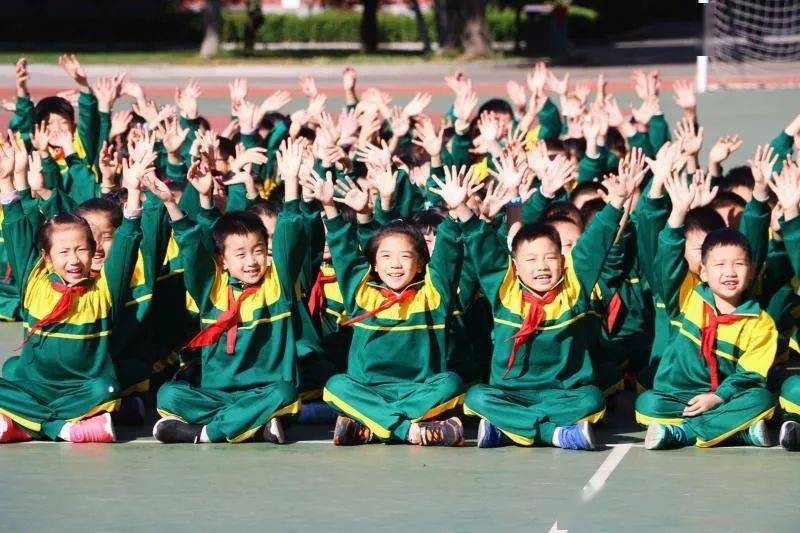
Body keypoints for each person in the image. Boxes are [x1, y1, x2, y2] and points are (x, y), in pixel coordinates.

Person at [457, 154, 639, 450]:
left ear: (563, 261)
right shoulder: (505, 289)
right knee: (477, 396)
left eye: (550, 258)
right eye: (530, 260)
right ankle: (556, 434)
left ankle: (509, 429)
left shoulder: (574, 285)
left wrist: (617, 201)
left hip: (563, 394)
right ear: (515, 266)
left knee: (592, 399)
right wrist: (461, 207)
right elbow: (481, 244)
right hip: (510, 394)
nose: (541, 266)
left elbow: (596, 240)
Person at [150, 141, 309, 444]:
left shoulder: (278, 284)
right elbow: (193, 248)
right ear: (222, 260)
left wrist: (290, 184)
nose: (251, 261)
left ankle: (205, 433)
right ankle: (253, 425)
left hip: (266, 392)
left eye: (259, 251)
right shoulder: (212, 289)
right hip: (216, 395)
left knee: (285, 392)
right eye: (241, 255)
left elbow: (291, 237)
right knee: (169, 393)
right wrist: (172, 204)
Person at [308, 165, 473, 447]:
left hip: (420, 391)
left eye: (405, 256)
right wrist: (330, 209)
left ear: (421, 263)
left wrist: (457, 209)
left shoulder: (433, 294)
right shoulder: (362, 293)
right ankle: (410, 430)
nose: (395, 265)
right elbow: (345, 254)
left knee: (452, 383)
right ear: (373, 263)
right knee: (336, 386)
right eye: (386, 256)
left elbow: (447, 253)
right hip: (369, 391)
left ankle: (373, 426)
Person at [0, 136, 147, 443]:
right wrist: (7, 181)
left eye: (81, 250)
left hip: (83, 390)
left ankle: (26, 425)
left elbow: (128, 239)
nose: (73, 260)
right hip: (36, 385)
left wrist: (133, 191)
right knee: (12, 372)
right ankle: (63, 428)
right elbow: (16, 228)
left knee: (107, 388)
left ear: (93, 250)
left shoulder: (104, 288)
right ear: (46, 257)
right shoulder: (34, 280)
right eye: (63, 252)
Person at [636, 172, 776, 449]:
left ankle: (684, 434)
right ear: (703, 271)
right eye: (720, 265)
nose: (729, 273)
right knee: (647, 404)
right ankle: (736, 431)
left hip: (724, 397)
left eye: (739, 264)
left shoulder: (761, 323)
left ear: (751, 273)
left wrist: (718, 397)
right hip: (680, 397)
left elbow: (749, 375)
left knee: (762, 399)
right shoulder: (688, 297)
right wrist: (677, 213)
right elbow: (666, 259)